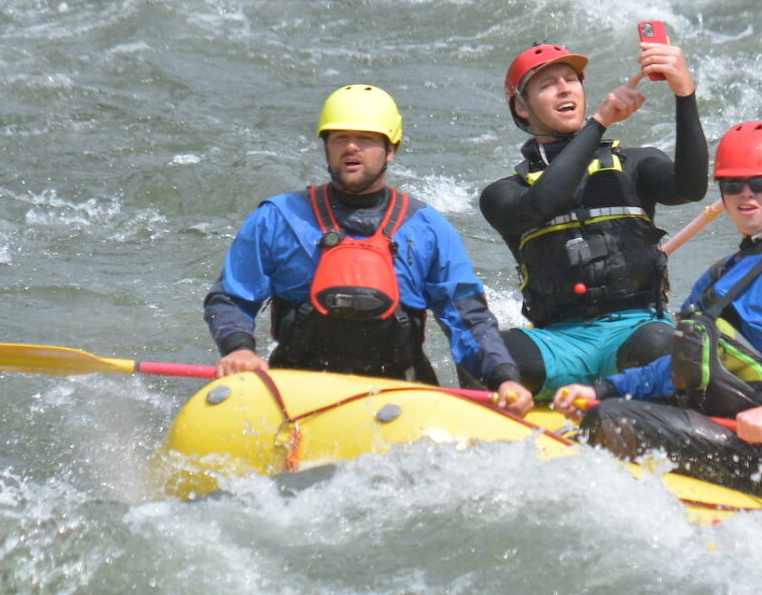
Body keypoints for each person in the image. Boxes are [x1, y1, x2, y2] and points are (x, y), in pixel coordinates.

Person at [549, 122, 762, 503]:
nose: (745, 195)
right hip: (725, 429)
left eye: (759, 184)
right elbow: (684, 367)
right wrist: (600, 388)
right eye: (732, 186)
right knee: (608, 407)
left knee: (614, 420)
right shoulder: (720, 275)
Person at [204, 84, 532, 417]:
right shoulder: (278, 218)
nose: (350, 148)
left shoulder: (428, 228)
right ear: (326, 147)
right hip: (297, 388)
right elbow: (230, 298)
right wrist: (238, 349)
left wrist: (504, 377)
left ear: (391, 150)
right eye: (338, 138)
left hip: (398, 393)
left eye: (366, 139)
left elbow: (468, 318)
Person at [479, 39, 709, 397]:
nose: (563, 89)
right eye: (547, 84)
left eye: (570, 79)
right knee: (487, 355)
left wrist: (684, 93)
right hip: (559, 344)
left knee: (664, 347)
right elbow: (542, 203)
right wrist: (599, 122)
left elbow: (691, 188)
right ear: (522, 109)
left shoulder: (637, 164)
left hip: (637, 332)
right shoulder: (503, 193)